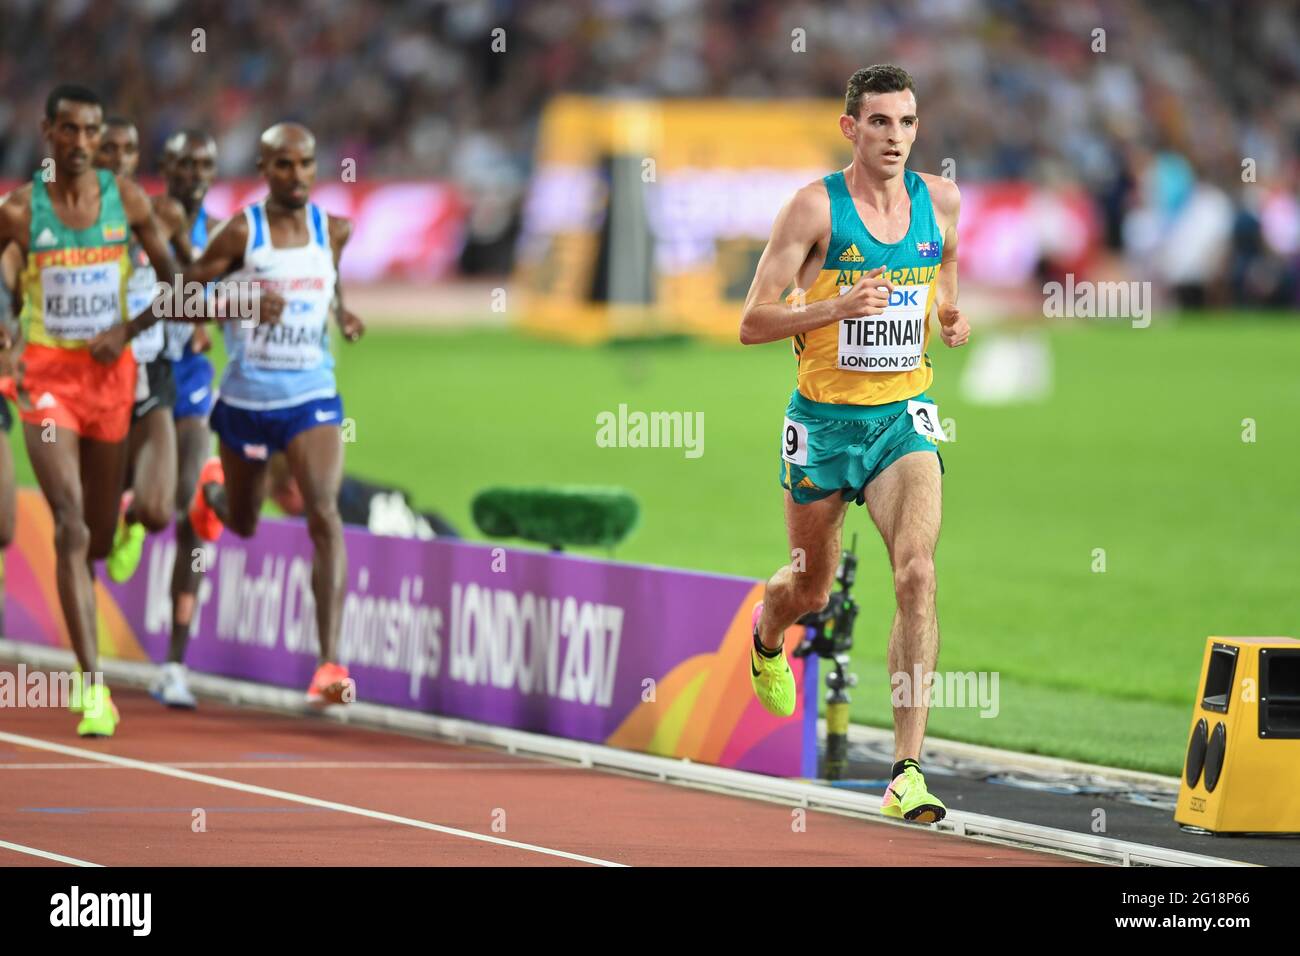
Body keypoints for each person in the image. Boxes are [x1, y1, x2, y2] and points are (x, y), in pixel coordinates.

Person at [0, 85, 279, 736]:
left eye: (90, 131)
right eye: (68, 130)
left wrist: (143, 328)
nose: (79, 142)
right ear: (48, 134)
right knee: (69, 524)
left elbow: (174, 281)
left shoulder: (125, 203)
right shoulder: (20, 211)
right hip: (47, 379)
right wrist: (7, 331)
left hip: (116, 380)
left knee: (96, 533)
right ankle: (92, 684)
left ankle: (108, 545)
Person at [738, 65, 970, 824]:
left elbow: (945, 265)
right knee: (810, 589)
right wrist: (837, 303)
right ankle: (769, 634)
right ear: (850, 128)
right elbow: (752, 321)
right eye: (879, 123)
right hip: (824, 425)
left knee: (917, 574)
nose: (895, 137)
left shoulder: (942, 199)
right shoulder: (813, 209)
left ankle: (907, 770)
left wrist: (949, 313)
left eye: (905, 123)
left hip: (903, 415)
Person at [186, 122, 365, 706]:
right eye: (283, 165)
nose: (297, 175)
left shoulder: (333, 229)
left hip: (311, 396)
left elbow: (329, 286)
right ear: (263, 169)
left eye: (307, 164)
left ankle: (329, 666)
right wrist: (238, 300)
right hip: (245, 400)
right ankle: (213, 495)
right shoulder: (243, 231)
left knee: (324, 515)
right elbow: (181, 295)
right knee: (243, 522)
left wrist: (344, 316)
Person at [93, 117, 193, 585]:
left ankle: (131, 521)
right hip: (90, 375)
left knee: (157, 509)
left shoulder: (163, 215)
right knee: (87, 522)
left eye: (127, 150)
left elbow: (188, 277)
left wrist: (203, 313)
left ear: (138, 158)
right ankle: (82, 657)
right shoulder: (71, 219)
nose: (118, 159)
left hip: (149, 369)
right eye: (107, 149)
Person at [154, 129, 219, 708]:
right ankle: (126, 519)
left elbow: (233, 301)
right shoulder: (146, 218)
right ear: (165, 167)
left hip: (192, 377)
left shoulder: (224, 233)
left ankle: (175, 663)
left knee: (192, 504)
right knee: (128, 508)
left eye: (204, 163)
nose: (195, 171)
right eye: (184, 162)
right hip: (140, 373)